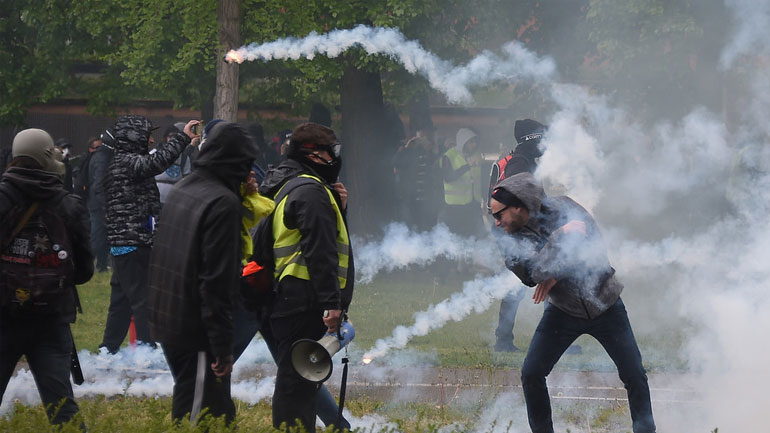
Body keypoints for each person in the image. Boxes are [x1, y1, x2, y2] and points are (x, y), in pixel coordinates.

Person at [490, 172, 656, 433]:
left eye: (499, 214)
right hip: (562, 311)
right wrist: (561, 239)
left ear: (519, 207)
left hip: (605, 302)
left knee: (634, 373)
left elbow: (594, 248)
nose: (497, 222)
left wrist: (555, 272)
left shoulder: (564, 207)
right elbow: (531, 275)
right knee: (531, 373)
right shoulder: (507, 239)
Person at [148, 122, 257, 425]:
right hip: (193, 327)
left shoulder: (186, 185)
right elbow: (217, 282)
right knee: (196, 415)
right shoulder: (223, 202)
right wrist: (222, 347)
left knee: (219, 411)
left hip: (169, 313)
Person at [258, 122, 354, 431]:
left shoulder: (295, 185)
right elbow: (320, 251)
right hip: (304, 302)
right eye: (330, 153)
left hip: (291, 299)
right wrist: (332, 304)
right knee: (295, 384)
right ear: (314, 154)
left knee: (300, 379)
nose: (334, 159)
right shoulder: (311, 192)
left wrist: (340, 208)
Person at [0, 129, 94, 429]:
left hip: (3, 315)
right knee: (63, 407)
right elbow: (84, 271)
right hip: (52, 317)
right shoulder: (68, 204)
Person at [99, 115, 198, 354]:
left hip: (125, 243)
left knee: (122, 302)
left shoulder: (120, 161)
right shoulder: (128, 162)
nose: (152, 140)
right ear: (134, 138)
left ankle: (108, 349)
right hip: (134, 242)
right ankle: (146, 350)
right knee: (143, 299)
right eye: (147, 136)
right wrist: (183, 138)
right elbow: (158, 163)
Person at [489, 119, 547, 353]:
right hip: (517, 232)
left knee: (548, 276)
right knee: (520, 282)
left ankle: (553, 336)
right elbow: (516, 201)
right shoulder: (519, 164)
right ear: (531, 140)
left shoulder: (521, 161)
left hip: (519, 230)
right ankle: (504, 340)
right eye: (541, 138)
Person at [439, 128, 485, 237]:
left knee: (477, 236)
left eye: (475, 142)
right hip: (455, 207)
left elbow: (481, 180)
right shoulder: (449, 156)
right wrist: (467, 166)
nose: (474, 145)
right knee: (458, 237)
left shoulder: (476, 154)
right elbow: (448, 177)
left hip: (473, 204)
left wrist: (485, 200)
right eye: (471, 142)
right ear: (463, 142)